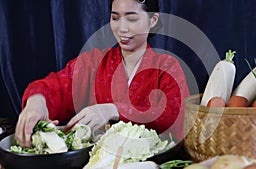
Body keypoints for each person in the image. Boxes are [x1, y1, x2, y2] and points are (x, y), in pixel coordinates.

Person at [15, 0, 190, 147]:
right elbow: (56, 86)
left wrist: (114, 110)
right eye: (115, 18)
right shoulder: (93, 62)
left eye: (131, 18)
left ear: (153, 20)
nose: (122, 28)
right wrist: (37, 101)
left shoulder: (166, 66)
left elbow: (173, 116)